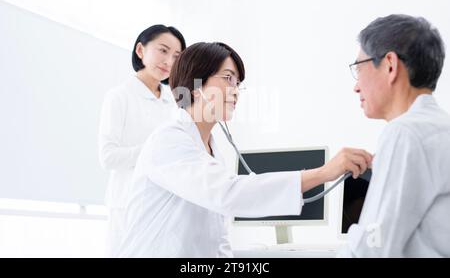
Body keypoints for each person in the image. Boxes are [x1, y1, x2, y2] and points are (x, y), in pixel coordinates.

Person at [118, 41, 372, 257]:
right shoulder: (169, 140)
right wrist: (324, 173)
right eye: (228, 78)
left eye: (238, 83)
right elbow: (228, 193)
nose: (236, 91)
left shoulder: (212, 149)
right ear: (195, 84)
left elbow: (217, 237)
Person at [339, 14, 450, 257]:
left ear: (390, 65)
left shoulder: (405, 133)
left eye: (359, 68)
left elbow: (373, 250)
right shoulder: (439, 128)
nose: (356, 86)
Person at [98, 24, 186, 257]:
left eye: (176, 56)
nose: (169, 61)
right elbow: (108, 157)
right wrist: (154, 150)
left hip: (164, 205)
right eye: (163, 50)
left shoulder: (173, 103)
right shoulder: (119, 96)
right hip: (127, 203)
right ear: (140, 50)